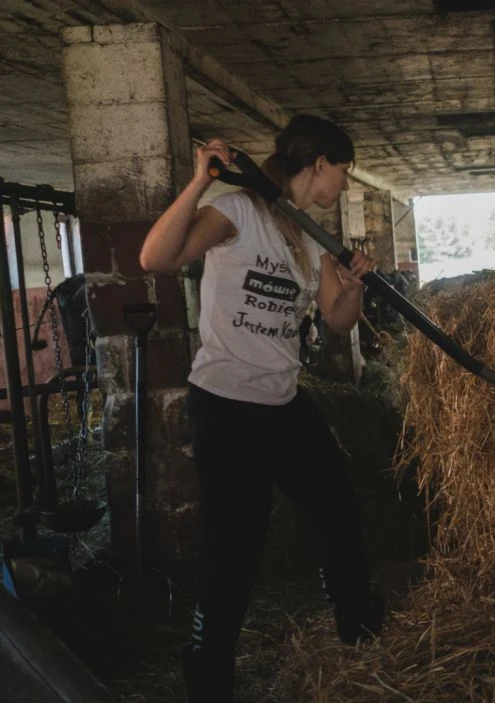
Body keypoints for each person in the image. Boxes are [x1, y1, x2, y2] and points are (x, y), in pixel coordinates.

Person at [139, 115, 384, 702]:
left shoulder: (307, 236)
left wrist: (351, 288)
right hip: (227, 405)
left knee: (338, 511)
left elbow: (334, 322)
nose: (344, 187)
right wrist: (199, 182)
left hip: (283, 399)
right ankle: (208, 669)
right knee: (237, 548)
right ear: (319, 164)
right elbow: (155, 258)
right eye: (344, 173)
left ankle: (360, 632)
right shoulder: (240, 210)